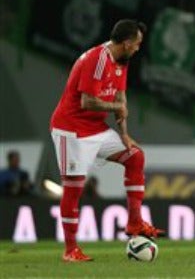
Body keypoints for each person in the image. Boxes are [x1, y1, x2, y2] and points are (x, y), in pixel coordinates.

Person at [50, 19, 165, 262]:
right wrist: (116, 106)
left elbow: (120, 100)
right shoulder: (97, 59)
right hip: (71, 129)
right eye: (137, 44)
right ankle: (70, 250)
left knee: (135, 156)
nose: (138, 48)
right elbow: (87, 102)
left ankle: (134, 222)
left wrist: (123, 135)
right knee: (74, 188)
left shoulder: (122, 61)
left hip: (96, 129)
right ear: (126, 43)